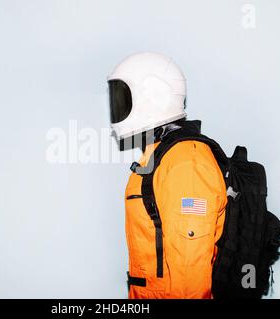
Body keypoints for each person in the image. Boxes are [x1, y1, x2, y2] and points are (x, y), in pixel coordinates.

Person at [107, 52, 227, 298]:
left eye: (124, 95)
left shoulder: (186, 162)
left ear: (153, 95)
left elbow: (189, 275)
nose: (119, 104)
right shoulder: (162, 154)